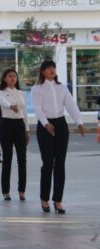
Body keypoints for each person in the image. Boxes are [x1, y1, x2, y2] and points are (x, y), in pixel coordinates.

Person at [31, 60, 85, 214]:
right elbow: (37, 108)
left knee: (60, 164)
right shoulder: (37, 88)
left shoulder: (62, 87)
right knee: (48, 164)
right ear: (42, 71)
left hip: (61, 125)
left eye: (53, 67)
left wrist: (79, 121)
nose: (51, 70)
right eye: (48, 68)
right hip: (45, 126)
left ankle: (58, 200)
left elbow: (70, 104)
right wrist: (46, 124)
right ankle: (44, 198)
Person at [0, 69, 29, 201]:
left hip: (19, 125)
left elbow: (25, 112)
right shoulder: (0, 92)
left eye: (14, 76)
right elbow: (3, 102)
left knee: (22, 159)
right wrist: (11, 106)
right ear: (4, 78)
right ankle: (5, 190)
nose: (12, 78)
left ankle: (22, 190)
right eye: (9, 76)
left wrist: (27, 130)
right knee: (7, 159)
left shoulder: (21, 93)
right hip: (6, 125)